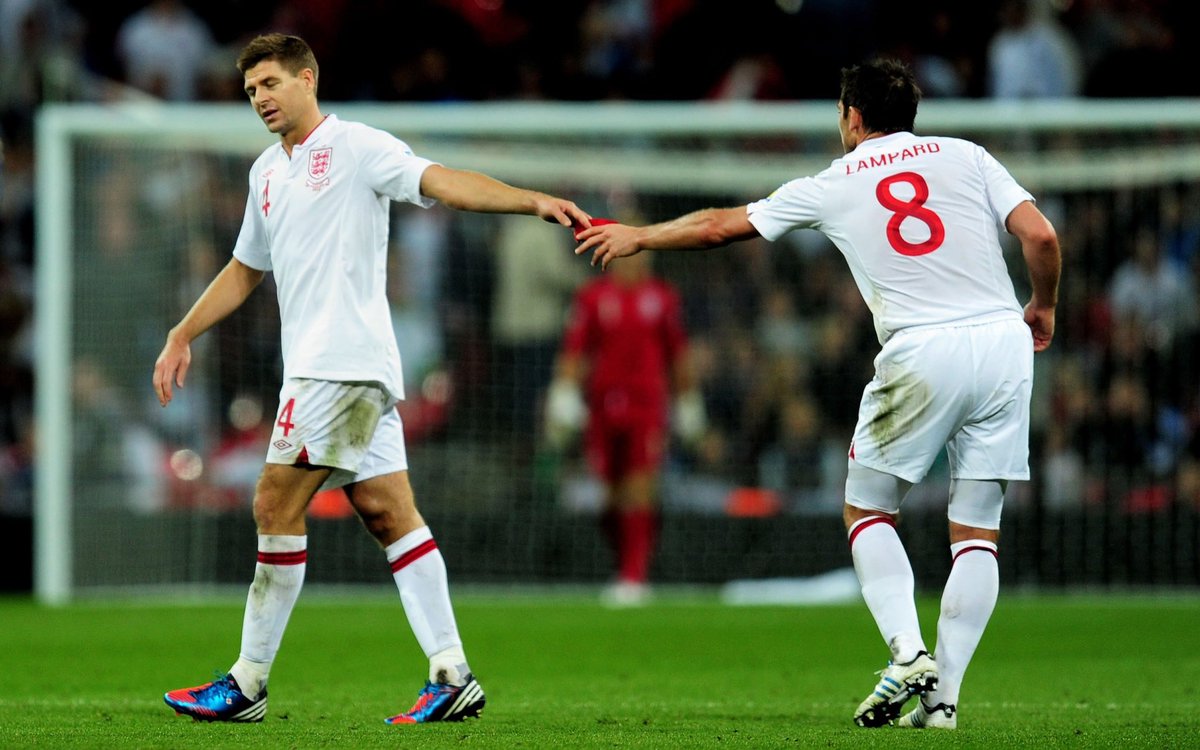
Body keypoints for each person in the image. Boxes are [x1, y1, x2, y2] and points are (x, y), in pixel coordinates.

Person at [576, 58, 1060, 730]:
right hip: (1005, 343)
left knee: (868, 509)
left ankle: (907, 651)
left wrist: (640, 236)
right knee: (977, 531)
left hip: (923, 347)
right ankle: (943, 702)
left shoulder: (837, 180)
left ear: (852, 118)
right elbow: (1040, 234)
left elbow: (718, 226)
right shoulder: (969, 156)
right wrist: (1043, 305)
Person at [154, 33, 590, 725]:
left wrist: (528, 200)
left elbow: (441, 180)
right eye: (251, 90)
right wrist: (183, 332)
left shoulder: (357, 146)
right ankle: (451, 673)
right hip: (334, 371)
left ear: (307, 79)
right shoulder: (265, 172)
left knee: (273, 504)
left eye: (270, 83)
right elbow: (244, 268)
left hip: (339, 366)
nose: (260, 98)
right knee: (389, 513)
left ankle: (247, 682)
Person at [545, 248, 703, 606]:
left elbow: (678, 354)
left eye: (642, 256)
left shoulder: (662, 298)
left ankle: (635, 575)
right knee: (610, 492)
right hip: (603, 407)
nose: (636, 263)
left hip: (646, 406)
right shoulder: (592, 298)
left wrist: (689, 402)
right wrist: (563, 394)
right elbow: (575, 350)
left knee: (640, 486)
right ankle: (624, 568)